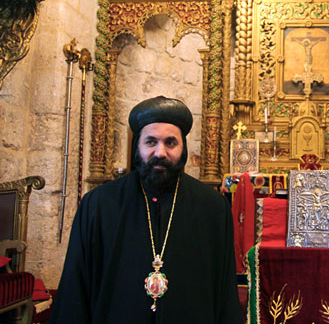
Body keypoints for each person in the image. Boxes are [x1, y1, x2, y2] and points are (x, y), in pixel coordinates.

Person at [51, 96, 242, 324]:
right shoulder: (98, 205)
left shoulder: (212, 207)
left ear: (183, 149)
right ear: (137, 146)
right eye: (150, 142)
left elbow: (225, 292)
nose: (160, 152)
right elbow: (75, 286)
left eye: (170, 143)